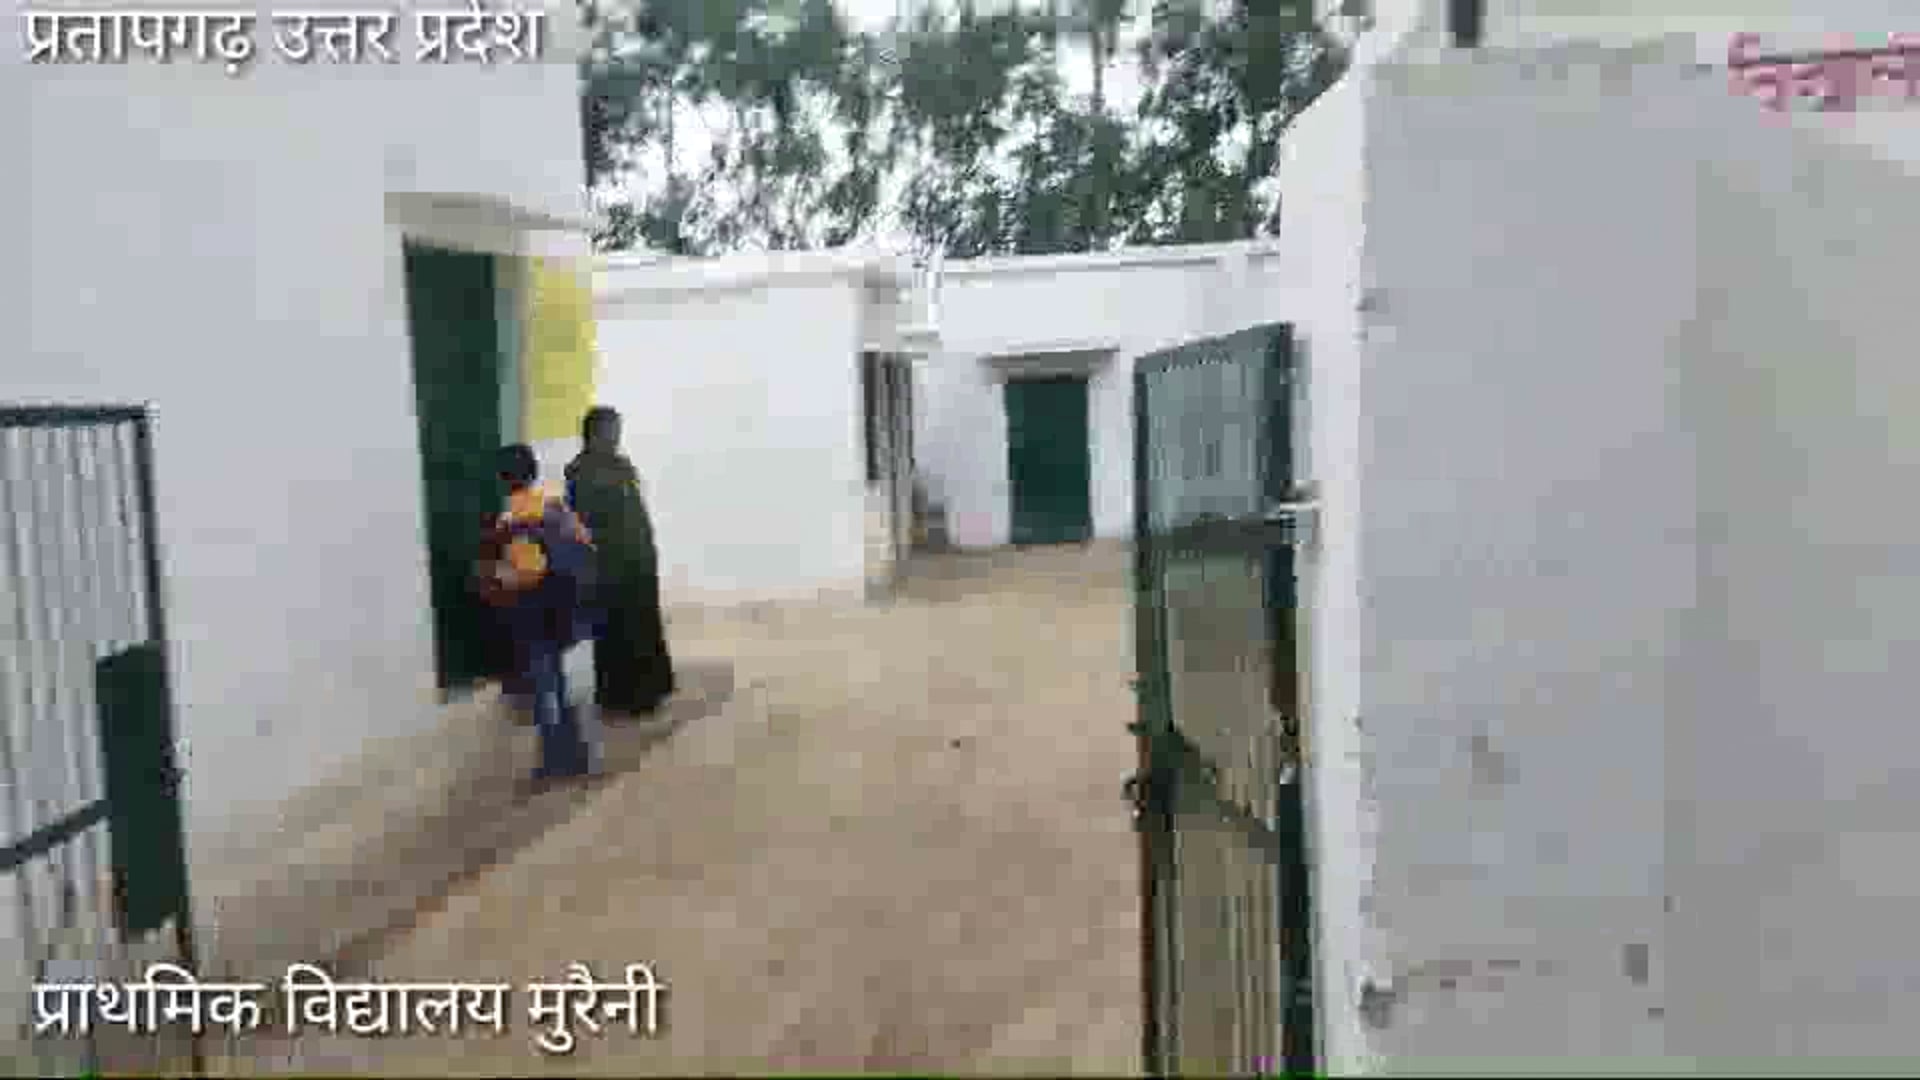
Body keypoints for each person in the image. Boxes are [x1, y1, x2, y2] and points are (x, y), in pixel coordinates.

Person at [475, 444, 599, 782]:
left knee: (546, 687)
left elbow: (525, 573)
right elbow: (587, 543)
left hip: (533, 613)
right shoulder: (556, 506)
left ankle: (554, 763)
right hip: (568, 609)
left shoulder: (508, 520)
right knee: (569, 684)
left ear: (503, 479)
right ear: (534, 472)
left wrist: (502, 581)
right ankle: (582, 757)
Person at [565, 406, 677, 718]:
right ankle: (619, 697)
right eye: (610, 431)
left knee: (642, 626)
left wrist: (647, 548)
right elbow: (585, 522)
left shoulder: (621, 466)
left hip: (638, 561)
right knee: (616, 631)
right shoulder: (580, 472)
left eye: (617, 431)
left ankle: (649, 692)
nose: (615, 437)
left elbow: (635, 510)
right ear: (593, 434)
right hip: (610, 564)